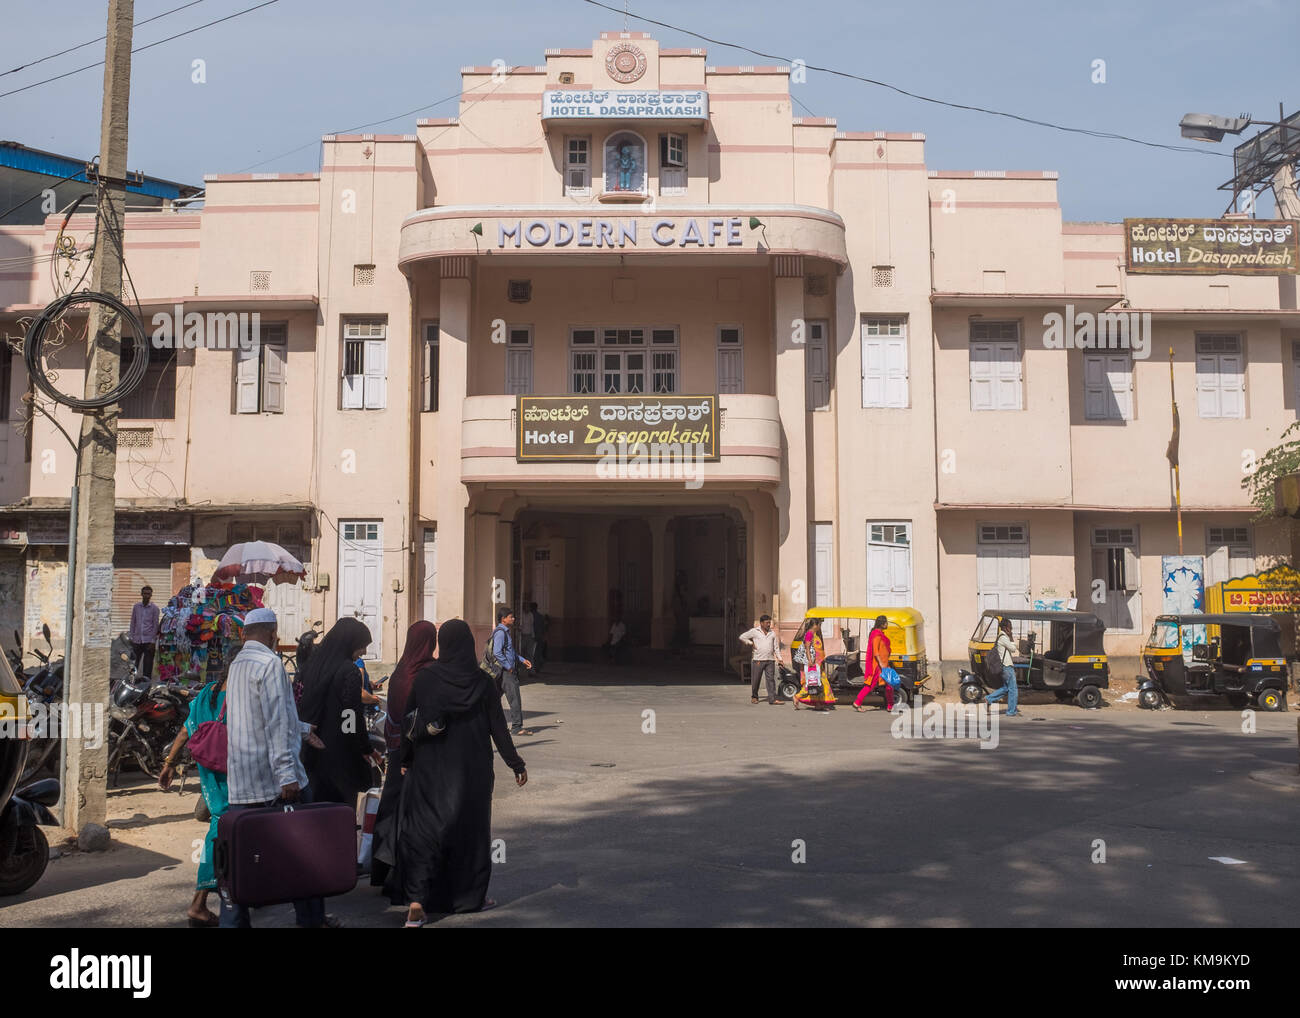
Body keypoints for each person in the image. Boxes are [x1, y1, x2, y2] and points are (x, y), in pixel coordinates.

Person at [392, 619, 527, 925]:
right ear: (468, 644)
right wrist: (516, 764)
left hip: (430, 770)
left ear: (443, 644)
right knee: (470, 835)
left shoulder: (426, 679)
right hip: (472, 773)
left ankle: (417, 901)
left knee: (426, 832)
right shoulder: (482, 683)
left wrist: (405, 758)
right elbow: (499, 730)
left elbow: (409, 723)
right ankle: (469, 897)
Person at [222, 607, 335, 928]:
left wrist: (302, 729)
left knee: (238, 864)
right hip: (275, 784)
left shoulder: (238, 664)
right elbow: (274, 719)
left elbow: (258, 715)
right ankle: (312, 920)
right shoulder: (270, 663)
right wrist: (287, 774)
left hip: (242, 784)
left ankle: (233, 923)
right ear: (273, 635)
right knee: (308, 857)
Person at [371, 620, 437, 891]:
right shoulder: (429, 673)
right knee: (417, 814)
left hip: (397, 750)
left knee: (392, 809)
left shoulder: (399, 672)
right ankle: (409, 879)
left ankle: (381, 871)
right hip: (419, 753)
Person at [159, 672, 228, 926]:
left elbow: (185, 731)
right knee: (221, 827)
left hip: (208, 768)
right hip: (229, 770)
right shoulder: (238, 695)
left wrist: (169, 764)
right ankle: (199, 903)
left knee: (223, 824)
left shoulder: (208, 693)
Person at [299, 617, 383, 805]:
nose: (363, 652)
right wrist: (362, 747)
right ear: (351, 643)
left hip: (311, 749)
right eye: (362, 646)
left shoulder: (312, 666)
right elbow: (350, 716)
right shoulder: (349, 671)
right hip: (339, 754)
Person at [492, 607, 534, 737]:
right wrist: (508, 667)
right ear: (503, 619)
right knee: (515, 699)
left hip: (505, 671)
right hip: (506, 673)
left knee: (493, 699)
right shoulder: (500, 633)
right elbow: (497, 652)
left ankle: (489, 724)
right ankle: (517, 727)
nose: (513, 618)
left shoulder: (505, 632)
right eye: (511, 617)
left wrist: (522, 660)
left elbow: (510, 652)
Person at [738, 614, 785, 705]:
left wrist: (780, 659)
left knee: (770, 680)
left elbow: (776, 647)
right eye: (767, 623)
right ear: (761, 623)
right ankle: (754, 697)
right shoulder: (755, 631)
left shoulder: (772, 633)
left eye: (769, 623)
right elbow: (742, 637)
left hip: (770, 660)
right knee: (756, 679)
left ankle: (772, 699)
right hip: (758, 660)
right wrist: (750, 643)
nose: (769, 624)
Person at [854, 615, 895, 713]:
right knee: (870, 685)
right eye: (886, 623)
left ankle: (890, 705)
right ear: (882, 624)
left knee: (889, 685)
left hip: (883, 664)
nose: (887, 624)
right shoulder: (876, 635)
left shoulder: (879, 633)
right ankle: (857, 702)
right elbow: (876, 651)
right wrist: (881, 664)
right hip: (878, 666)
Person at [793, 619, 835, 711]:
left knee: (819, 684)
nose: (820, 627)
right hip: (812, 664)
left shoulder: (814, 634)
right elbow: (807, 648)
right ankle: (797, 697)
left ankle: (818, 704)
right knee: (812, 683)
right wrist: (810, 660)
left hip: (818, 664)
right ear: (815, 625)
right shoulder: (809, 634)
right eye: (819, 625)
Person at [985, 617, 1021, 717]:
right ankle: (1011, 711)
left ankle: (989, 699)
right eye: (1010, 627)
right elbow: (1013, 649)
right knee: (1013, 689)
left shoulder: (1000, 637)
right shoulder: (1003, 638)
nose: (1011, 629)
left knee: (1006, 688)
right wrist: (1011, 637)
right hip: (1007, 666)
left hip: (1005, 667)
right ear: (1005, 628)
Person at [128, 586, 160, 680]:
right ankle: (131, 682)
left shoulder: (154, 608)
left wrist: (153, 641)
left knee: (148, 665)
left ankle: (146, 684)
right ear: (141, 594)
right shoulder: (136, 607)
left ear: (151, 595)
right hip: (137, 641)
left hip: (148, 642)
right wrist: (132, 637)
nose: (146, 596)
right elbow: (133, 622)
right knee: (133, 664)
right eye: (145, 593)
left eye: (148, 594)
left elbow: (155, 626)